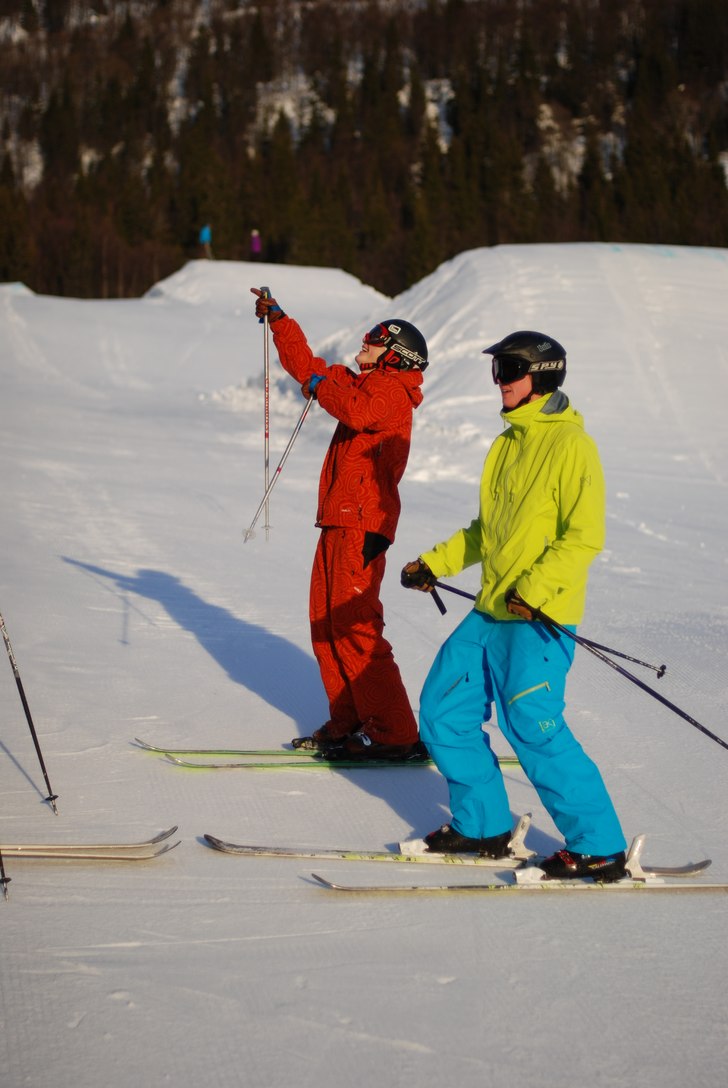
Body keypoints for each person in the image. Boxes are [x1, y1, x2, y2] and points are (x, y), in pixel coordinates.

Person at [401, 330, 628, 881]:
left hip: (538, 617)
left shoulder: (573, 446)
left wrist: (535, 589)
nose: (498, 381)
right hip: (491, 611)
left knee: (532, 723)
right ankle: (483, 827)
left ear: (541, 375)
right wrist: (436, 562)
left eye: (508, 369)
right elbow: (487, 532)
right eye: (497, 370)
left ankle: (598, 845)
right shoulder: (506, 445)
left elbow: (583, 537)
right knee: (442, 711)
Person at [251, 287, 429, 762]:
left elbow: (355, 410)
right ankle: (351, 721)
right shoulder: (363, 384)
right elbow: (310, 368)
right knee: (325, 624)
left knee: (355, 627)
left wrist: (321, 386)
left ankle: (394, 732)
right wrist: (280, 322)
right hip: (339, 521)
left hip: (362, 523)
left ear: (393, 354)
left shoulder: (390, 392)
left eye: (369, 344)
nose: (359, 351)